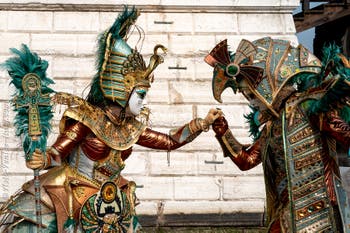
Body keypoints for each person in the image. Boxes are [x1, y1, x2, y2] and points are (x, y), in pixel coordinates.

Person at [0, 7, 222, 233]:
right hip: (75, 189)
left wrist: (202, 124)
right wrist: (42, 159)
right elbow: (58, 154)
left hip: (112, 193)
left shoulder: (131, 127)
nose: (143, 102)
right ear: (122, 92)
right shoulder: (86, 120)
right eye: (141, 95)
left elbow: (168, 141)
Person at [205, 37, 350, 232]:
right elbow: (246, 161)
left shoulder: (308, 107)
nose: (251, 100)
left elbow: (345, 134)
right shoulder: (272, 127)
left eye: (250, 93)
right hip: (288, 214)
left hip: (320, 209)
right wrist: (223, 132)